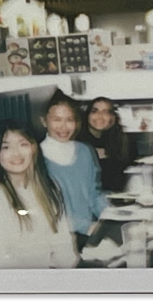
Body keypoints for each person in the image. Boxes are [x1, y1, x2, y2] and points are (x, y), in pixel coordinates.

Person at [0, 119, 79, 269]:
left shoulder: (50, 188)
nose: (16, 153)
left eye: (23, 144)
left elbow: (63, 246)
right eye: (6, 147)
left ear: (34, 148)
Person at [39, 90, 110, 253]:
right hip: (56, 240)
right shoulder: (36, 157)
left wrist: (110, 215)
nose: (64, 127)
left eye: (70, 120)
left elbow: (94, 194)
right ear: (44, 121)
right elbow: (43, 211)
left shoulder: (85, 151)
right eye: (57, 120)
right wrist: (86, 227)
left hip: (88, 235)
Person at [76, 97, 135, 192]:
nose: (100, 116)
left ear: (114, 117)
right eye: (95, 111)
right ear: (87, 115)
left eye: (106, 112)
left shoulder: (123, 141)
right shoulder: (77, 143)